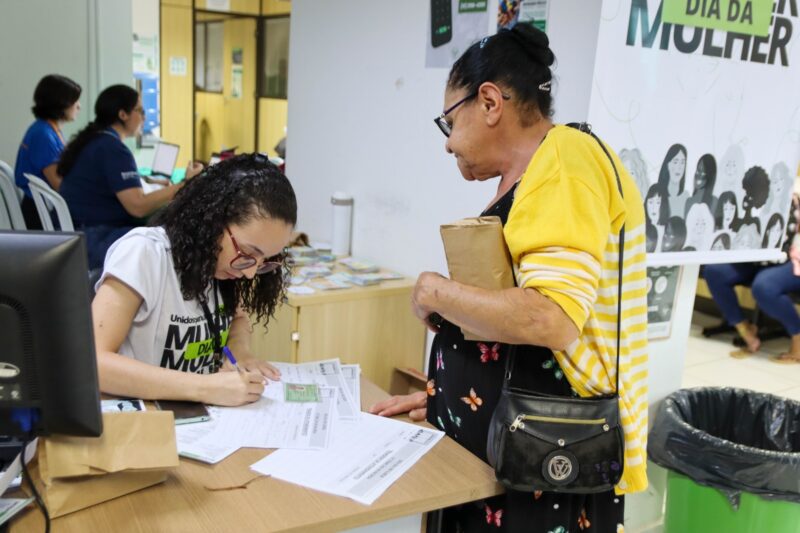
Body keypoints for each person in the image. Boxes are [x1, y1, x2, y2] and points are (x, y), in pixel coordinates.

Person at [369, 25, 648, 532]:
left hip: (543, 462)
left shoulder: (565, 160)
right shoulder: (538, 170)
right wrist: (445, 397)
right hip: (505, 442)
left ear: (491, 102)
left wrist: (435, 290)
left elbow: (552, 318)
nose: (449, 143)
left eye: (448, 121)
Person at [91, 153, 296, 405]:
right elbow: (94, 362)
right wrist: (204, 388)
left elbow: (238, 319)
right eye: (247, 253)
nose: (250, 272)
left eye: (265, 261)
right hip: (144, 421)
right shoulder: (145, 253)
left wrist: (240, 352)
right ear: (211, 220)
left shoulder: (227, 267)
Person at [58, 84, 202, 269]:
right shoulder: (113, 149)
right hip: (94, 239)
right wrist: (184, 185)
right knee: (175, 239)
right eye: (139, 110)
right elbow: (138, 207)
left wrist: (154, 183)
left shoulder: (95, 140)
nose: (144, 117)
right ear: (122, 114)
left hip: (78, 233)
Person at [705, 193, 800, 363]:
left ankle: (798, 337)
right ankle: (744, 328)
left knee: (765, 286)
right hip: (758, 255)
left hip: (793, 258)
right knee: (715, 271)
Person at [13, 74, 82, 229]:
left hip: (43, 208)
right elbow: (59, 185)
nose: (79, 106)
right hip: (41, 214)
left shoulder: (49, 129)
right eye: (75, 101)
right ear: (60, 103)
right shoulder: (43, 134)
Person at [657, 143, 688, 217]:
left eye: (682, 162)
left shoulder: (686, 197)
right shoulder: (657, 196)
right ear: (668, 165)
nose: (679, 167)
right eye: (675, 162)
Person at [684, 153, 717, 217]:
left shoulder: (714, 202)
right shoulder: (689, 202)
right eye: (698, 170)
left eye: (703, 172)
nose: (699, 175)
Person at [645, 183, 670, 252]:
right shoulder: (641, 228)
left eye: (658, 202)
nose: (653, 207)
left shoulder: (669, 231)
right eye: (650, 202)